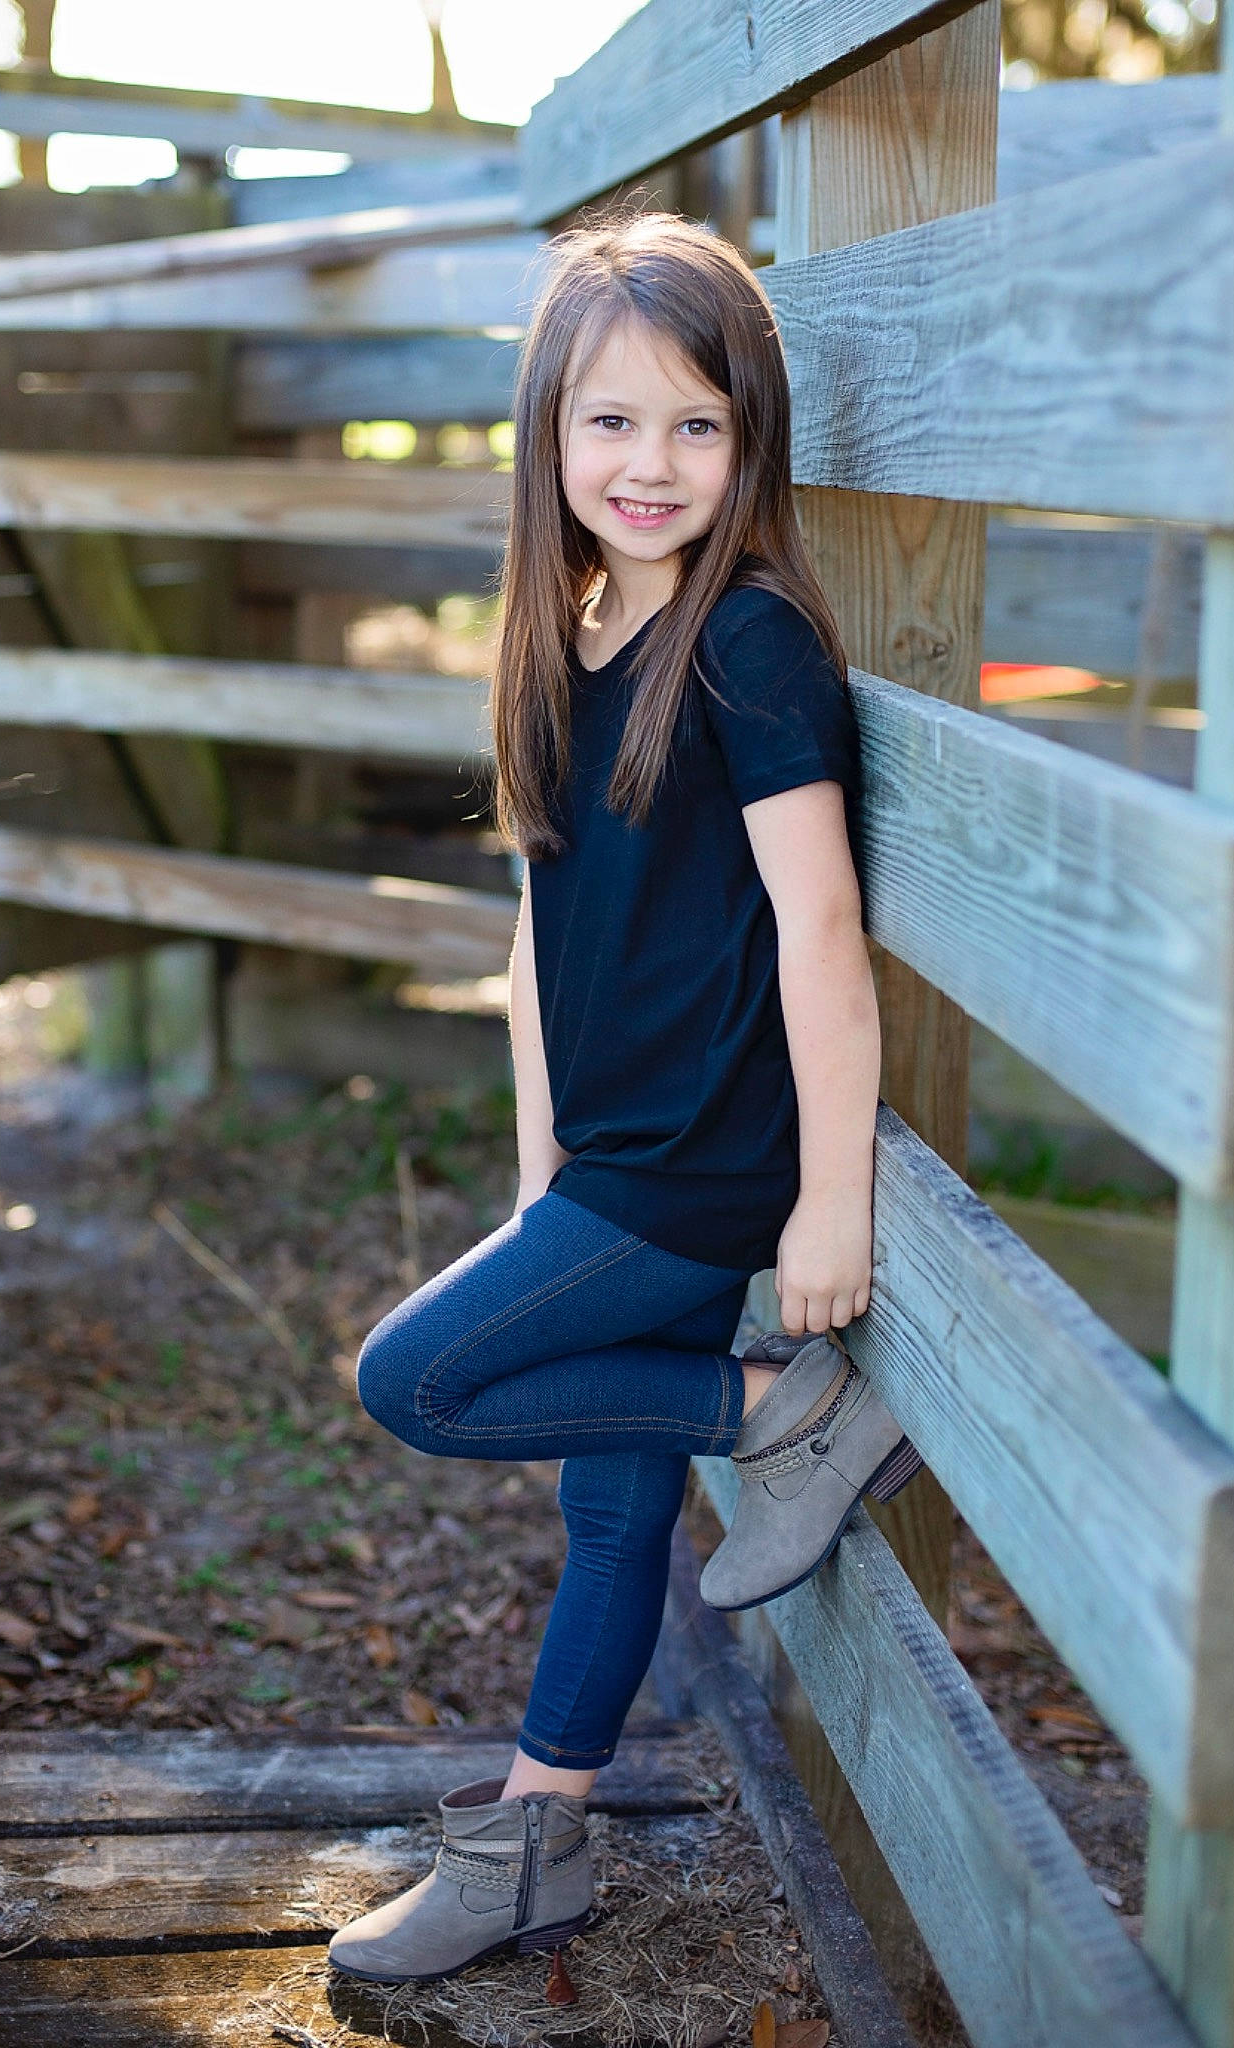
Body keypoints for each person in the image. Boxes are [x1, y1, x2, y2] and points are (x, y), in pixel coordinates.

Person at [327, 212, 918, 1985]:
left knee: (413, 1377)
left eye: (694, 426)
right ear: (547, 436)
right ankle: (538, 1845)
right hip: (607, 1168)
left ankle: (778, 1415)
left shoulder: (749, 649)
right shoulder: (562, 637)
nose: (647, 464)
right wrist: (536, 1179)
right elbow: (536, 938)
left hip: (708, 1173)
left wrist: (830, 1204)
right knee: (608, 1509)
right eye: (609, 423)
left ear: (750, 445)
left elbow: (820, 929)